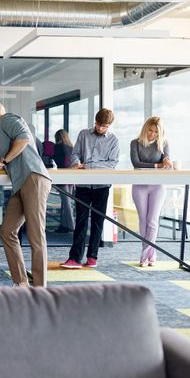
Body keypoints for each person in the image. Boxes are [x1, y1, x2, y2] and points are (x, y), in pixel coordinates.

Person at [0, 102, 52, 287]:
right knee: (7, 231)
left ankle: (40, 287)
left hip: (33, 179)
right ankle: (21, 282)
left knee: (36, 235)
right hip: (21, 183)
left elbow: (23, 139)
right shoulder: (2, 129)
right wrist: (1, 163)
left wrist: (3, 159)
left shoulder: (8, 119)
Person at [61, 108, 119, 269]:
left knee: (97, 222)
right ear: (95, 122)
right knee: (80, 221)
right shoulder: (84, 134)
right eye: (99, 125)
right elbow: (75, 153)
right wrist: (76, 162)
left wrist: (88, 166)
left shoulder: (113, 140)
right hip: (83, 184)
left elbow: (112, 164)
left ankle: (92, 257)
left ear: (109, 125)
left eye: (104, 126)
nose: (100, 128)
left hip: (102, 185)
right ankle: (74, 258)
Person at [131, 116, 172, 267]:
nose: (152, 134)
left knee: (152, 221)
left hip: (158, 186)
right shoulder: (135, 143)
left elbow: (167, 161)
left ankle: (144, 256)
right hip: (139, 186)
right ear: (145, 128)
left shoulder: (164, 144)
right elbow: (136, 163)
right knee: (143, 221)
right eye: (150, 130)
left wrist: (167, 162)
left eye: (156, 132)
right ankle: (151, 253)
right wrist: (157, 165)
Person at [53, 129, 75, 233]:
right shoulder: (71, 147)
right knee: (67, 202)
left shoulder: (58, 147)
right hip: (71, 177)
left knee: (66, 203)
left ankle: (71, 226)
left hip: (63, 177)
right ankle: (64, 225)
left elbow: (58, 161)